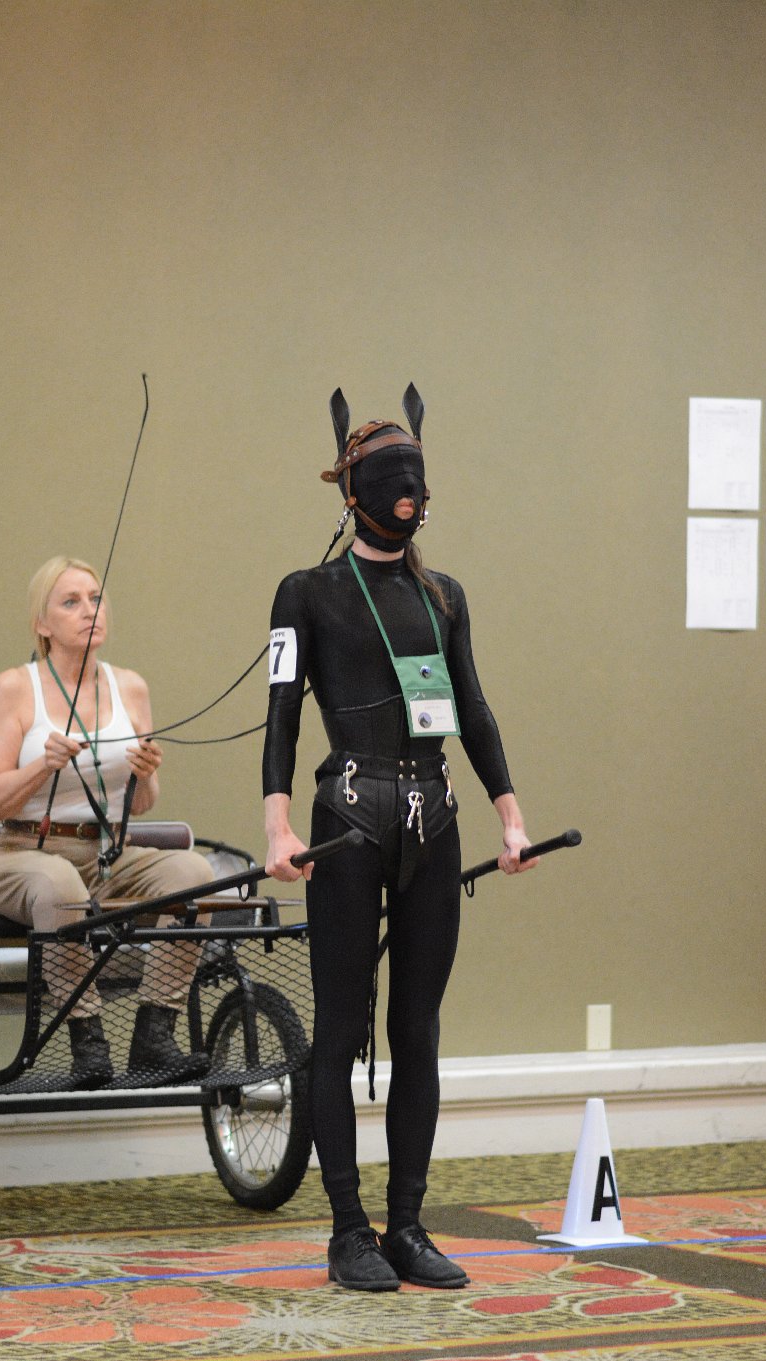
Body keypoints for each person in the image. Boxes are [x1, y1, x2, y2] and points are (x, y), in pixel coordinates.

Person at [263, 385, 536, 1292]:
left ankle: (408, 1225)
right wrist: (277, 825)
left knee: (416, 1028)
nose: (406, 495)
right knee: (339, 1027)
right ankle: (348, 1229)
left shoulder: (443, 596)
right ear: (353, 493)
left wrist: (510, 817)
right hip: (345, 822)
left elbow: (474, 710)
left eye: (415, 479)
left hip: (433, 817)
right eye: (390, 480)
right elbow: (281, 716)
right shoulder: (306, 594)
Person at [0, 556, 213, 1087]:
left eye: (96, 598)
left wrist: (146, 773)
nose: (90, 610)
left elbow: (142, 803)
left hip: (106, 854)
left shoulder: (129, 687)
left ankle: (155, 1036)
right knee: (60, 884)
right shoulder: (16, 687)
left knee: (194, 873)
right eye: (71, 602)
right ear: (42, 623)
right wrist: (43, 766)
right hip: (25, 854)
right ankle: (88, 1042)